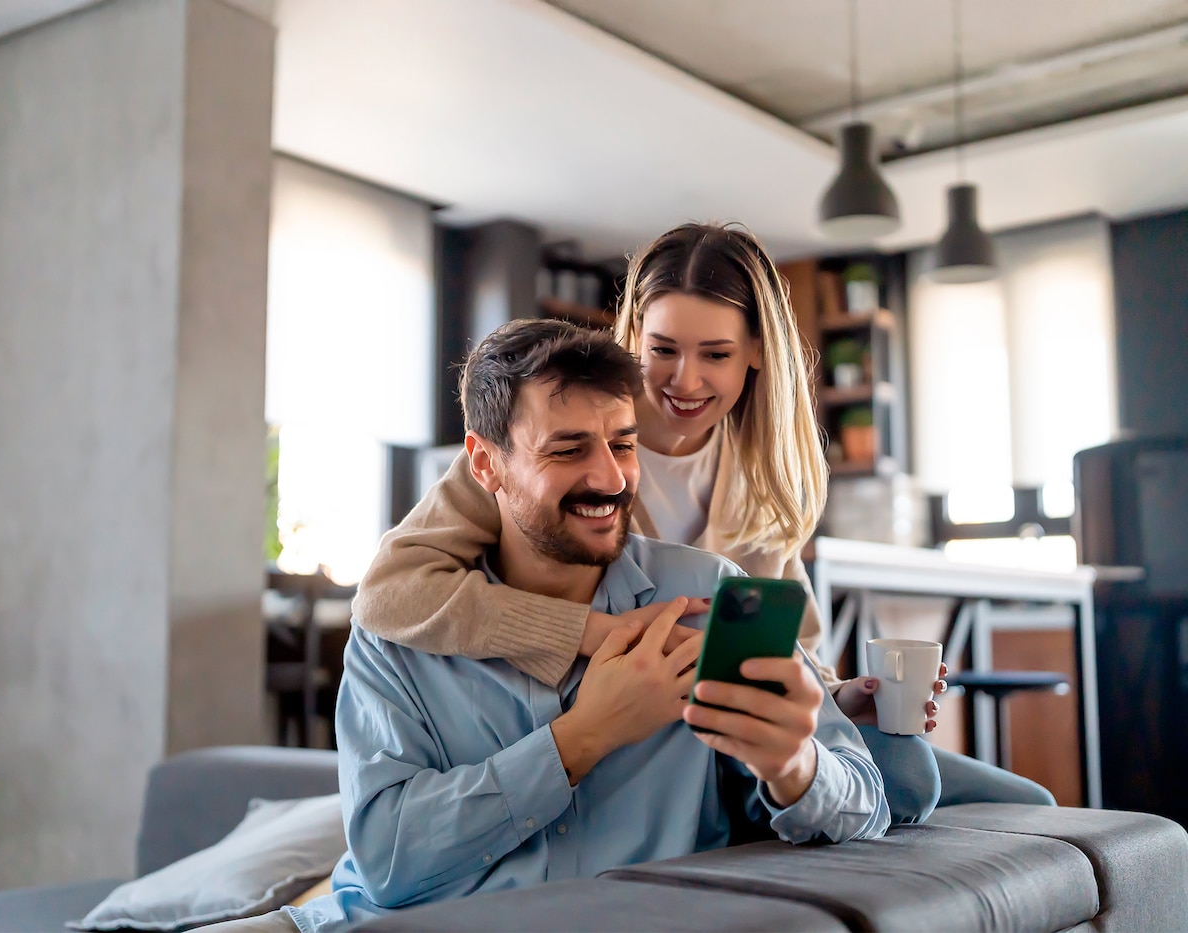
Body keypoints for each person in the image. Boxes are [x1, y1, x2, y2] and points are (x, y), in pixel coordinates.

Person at [352, 222, 1055, 820]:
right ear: (634, 337)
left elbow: (792, 645)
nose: (683, 381)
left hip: (718, 739)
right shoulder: (548, 459)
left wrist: (840, 698)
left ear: (755, 355)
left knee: (1011, 801)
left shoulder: (767, 476)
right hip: (618, 743)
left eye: (715, 354)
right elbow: (390, 592)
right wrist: (595, 634)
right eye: (662, 349)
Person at [232, 320, 886, 933]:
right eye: (568, 449)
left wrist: (794, 765)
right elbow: (387, 860)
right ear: (485, 465)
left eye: (624, 444)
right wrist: (581, 738)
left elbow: (865, 803)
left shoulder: (704, 595)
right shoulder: (400, 634)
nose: (610, 476)